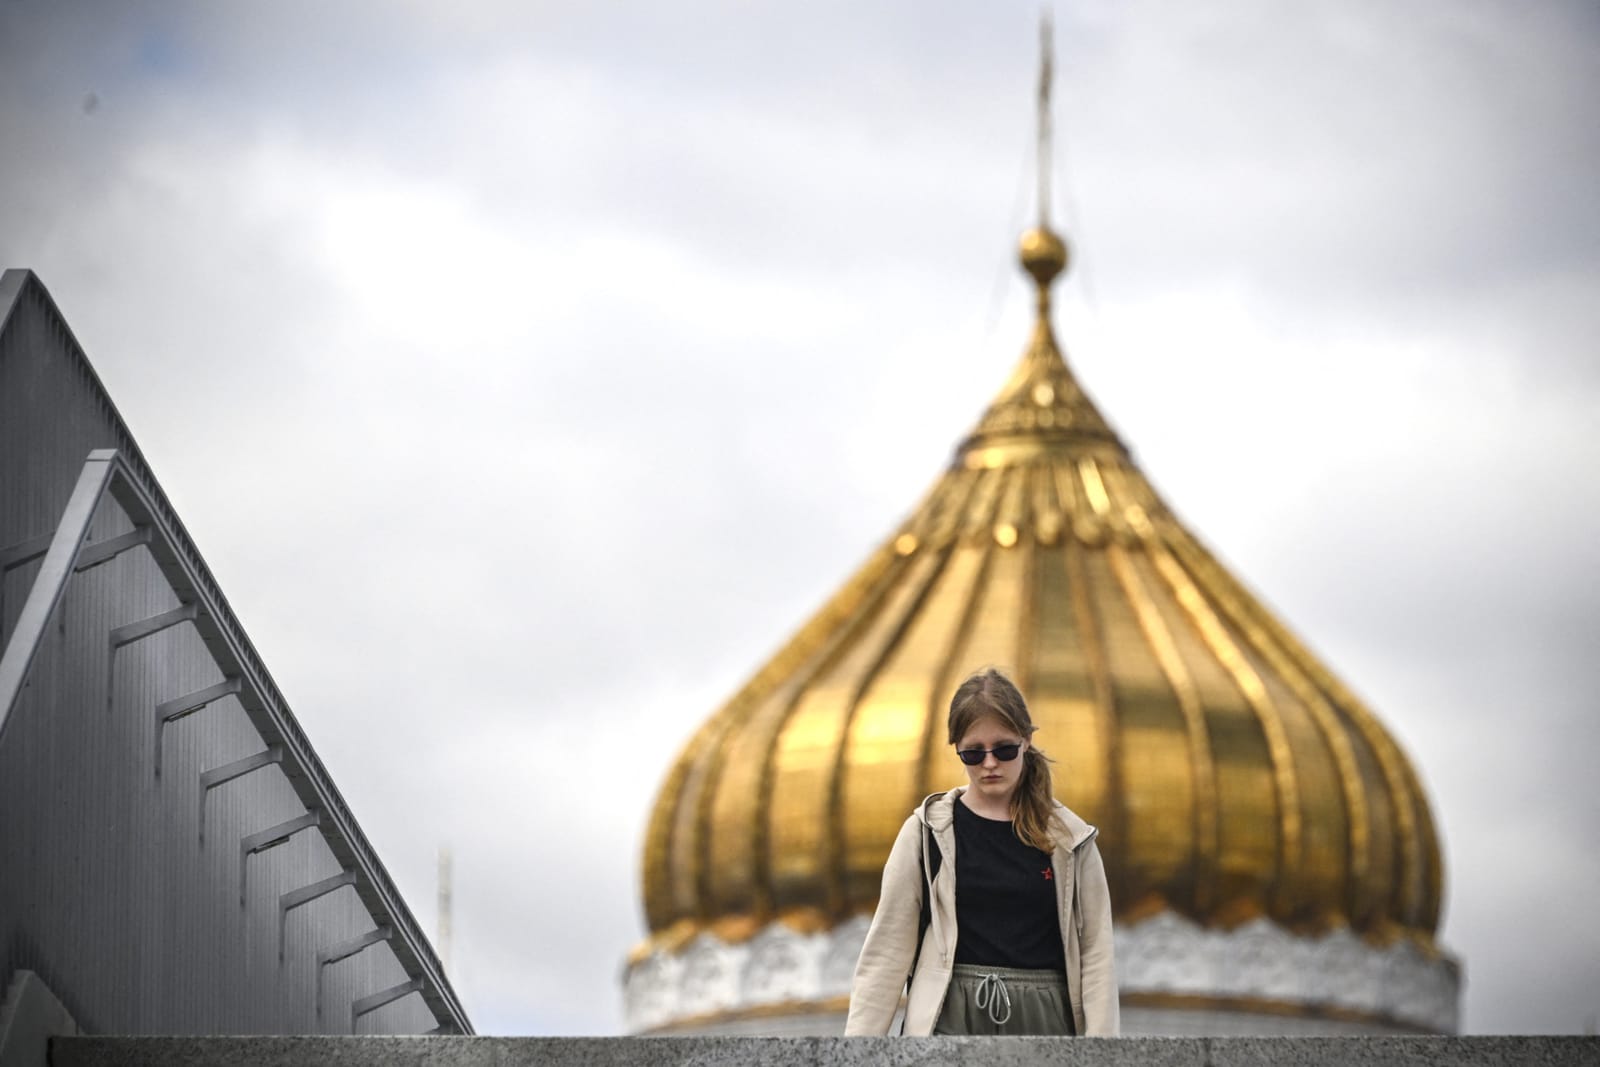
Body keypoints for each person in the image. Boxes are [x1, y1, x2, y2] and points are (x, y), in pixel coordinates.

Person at [843, 668, 1119, 1036]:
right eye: (973, 754)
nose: (990, 764)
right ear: (957, 748)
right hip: (952, 1017)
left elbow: (1096, 956)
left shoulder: (1070, 839)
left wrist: (1103, 1054)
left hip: (1044, 1021)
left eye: (1004, 749)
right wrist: (857, 1053)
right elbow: (887, 951)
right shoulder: (927, 833)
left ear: (1026, 741)